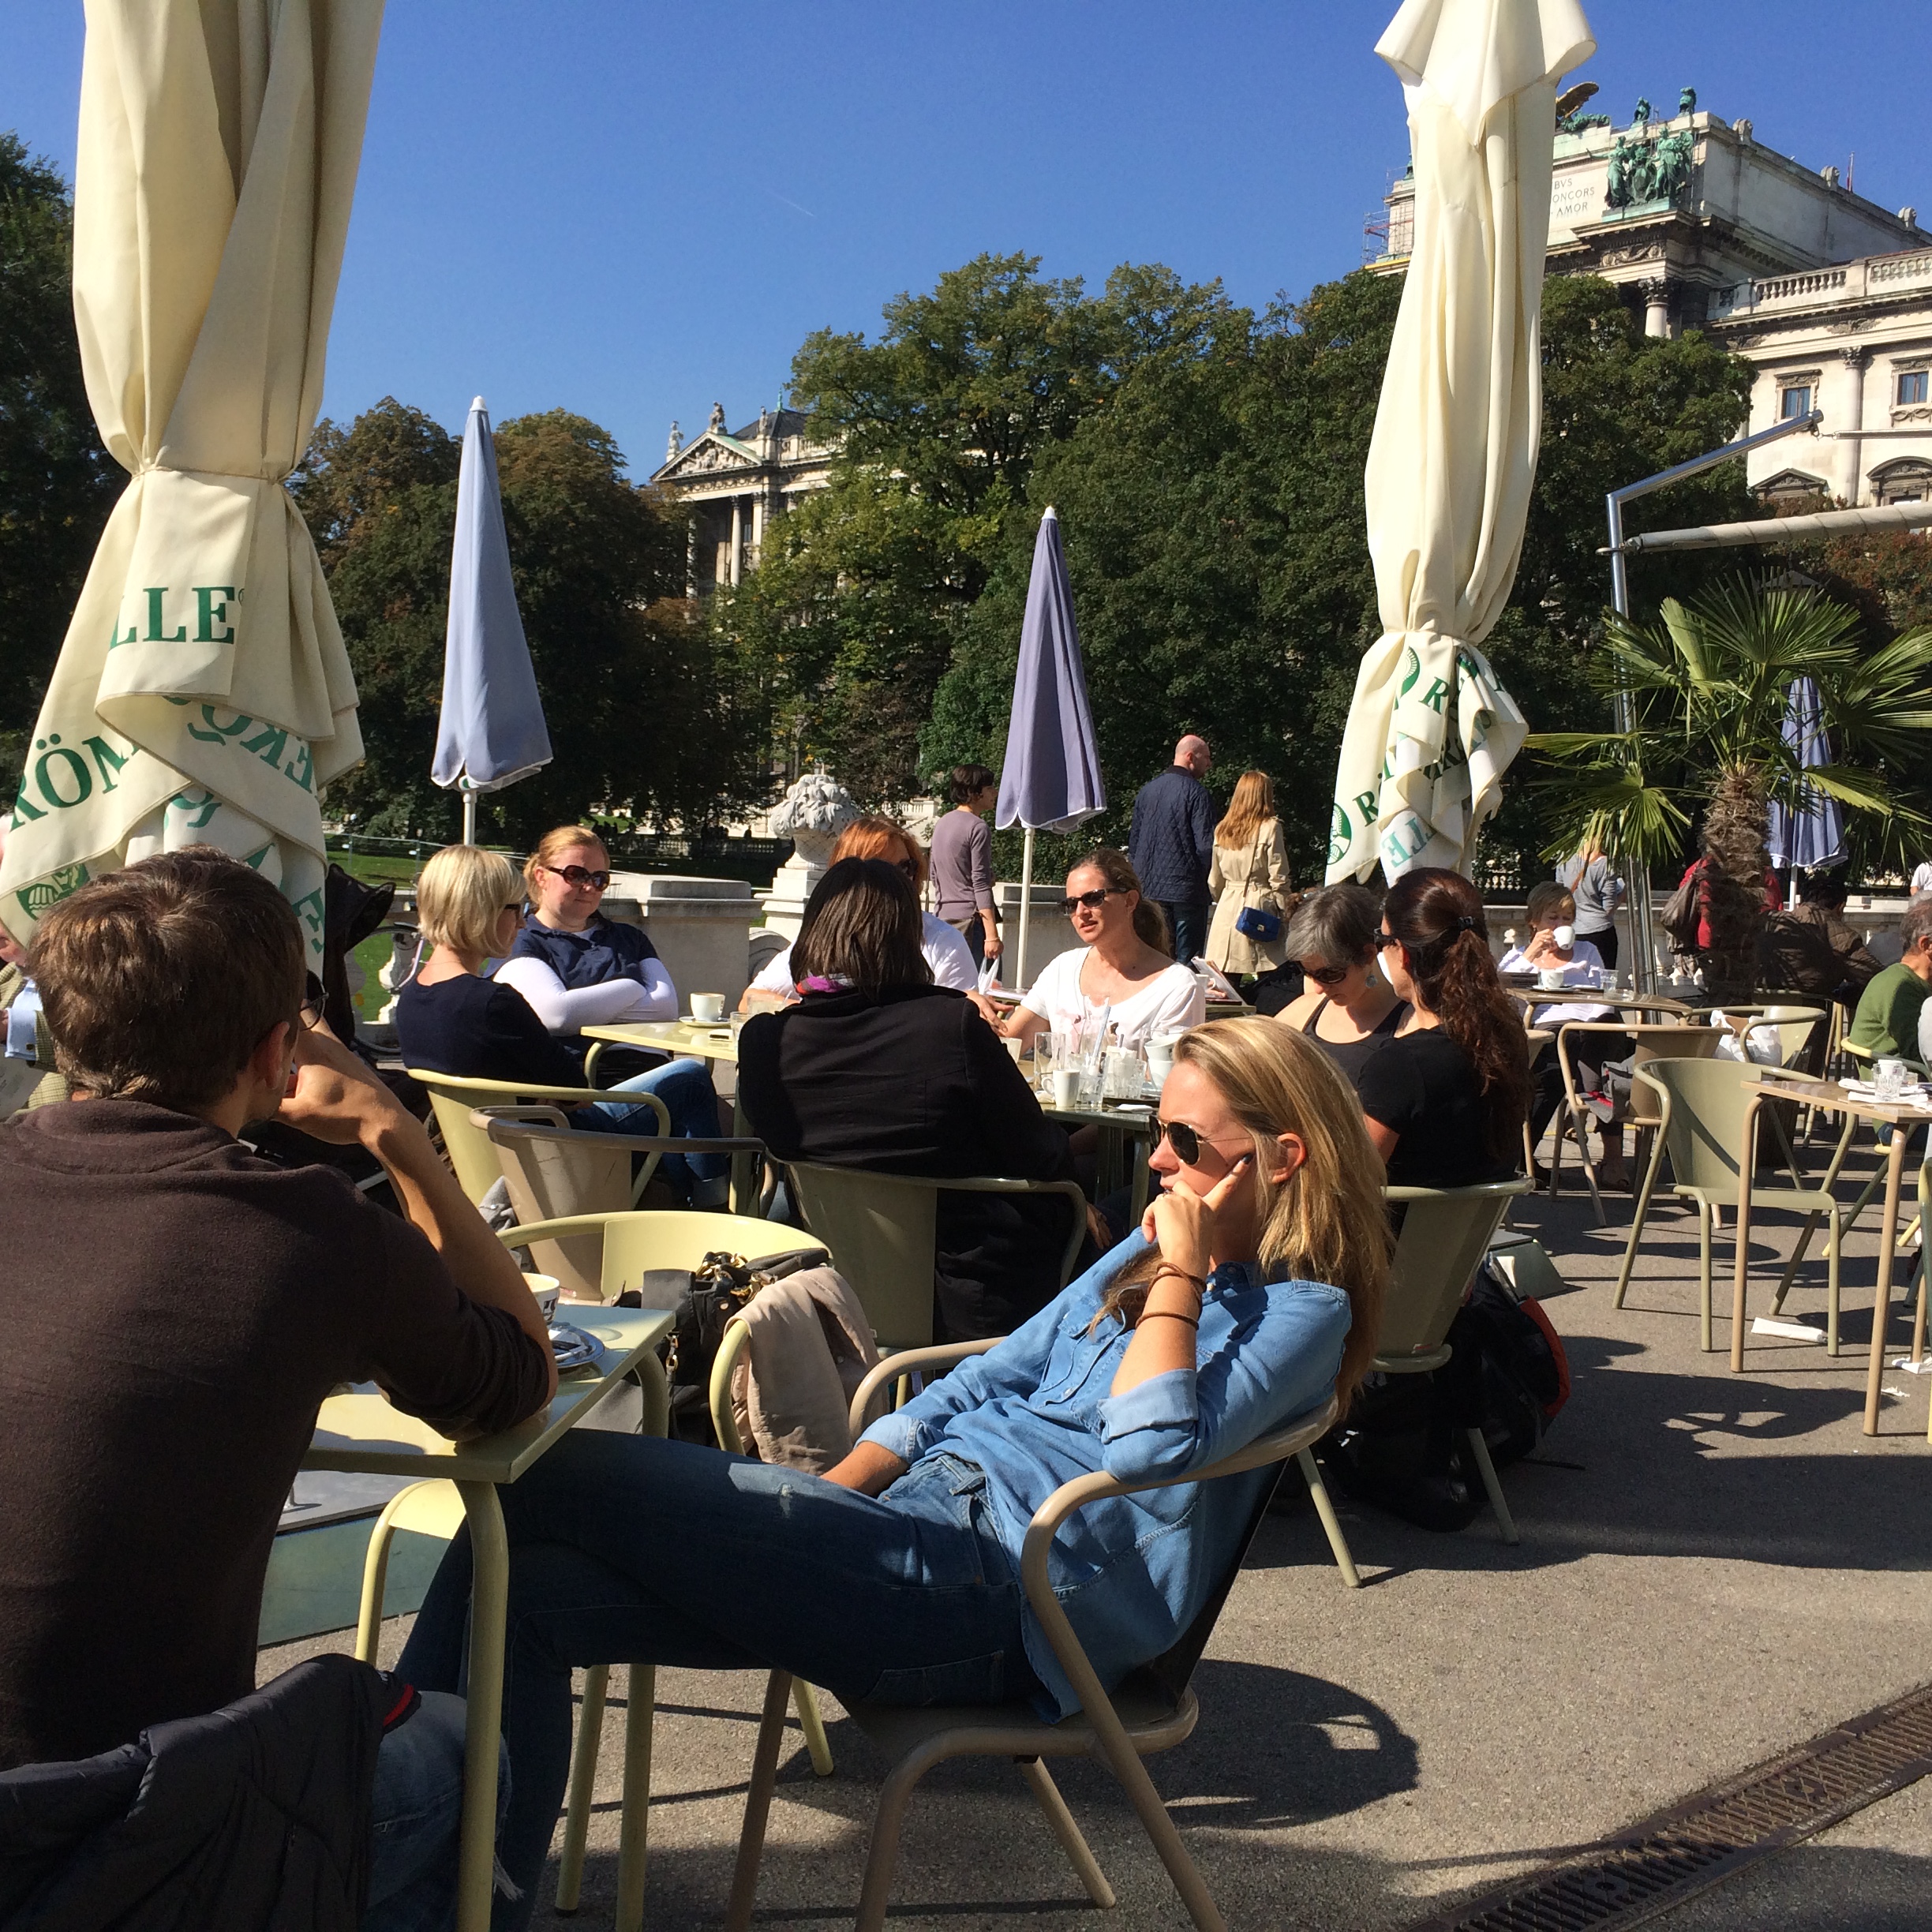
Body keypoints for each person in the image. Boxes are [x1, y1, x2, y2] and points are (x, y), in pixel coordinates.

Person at [397, 1017, 1391, 1926]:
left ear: (1282, 1158)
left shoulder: (1304, 1315)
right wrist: (818, 1507)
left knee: (543, 1479)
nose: (1160, 1162)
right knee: (514, 1587)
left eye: (1187, 1144)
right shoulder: (1140, 1245)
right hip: (902, 1537)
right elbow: (985, 1379)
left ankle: (371, 1817)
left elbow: (1144, 1451)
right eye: (1157, 1133)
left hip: (1004, 1591)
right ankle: (451, 1903)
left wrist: (1185, 1271)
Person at [0, 850, 553, 1927]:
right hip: (107, 1823)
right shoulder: (306, 1231)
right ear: (272, 1051)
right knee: (459, 1756)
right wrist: (397, 1134)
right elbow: (516, 1379)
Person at [738, 857, 1084, 1341]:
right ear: (906, 935)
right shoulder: (951, 1027)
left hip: (825, 1285)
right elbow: (1040, 1153)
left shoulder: (763, 1043)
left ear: (813, 930)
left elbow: (777, 1142)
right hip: (973, 1295)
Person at [395, 845, 727, 1198]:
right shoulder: (495, 1003)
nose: (523, 922)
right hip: (553, 1147)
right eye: (516, 909)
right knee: (688, 1078)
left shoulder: (413, 998)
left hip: (478, 1155)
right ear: (480, 912)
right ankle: (714, 1207)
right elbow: (577, 1094)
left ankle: (685, 1199)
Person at [487, 827, 729, 1196]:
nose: (590, 888)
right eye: (577, 875)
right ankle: (713, 1208)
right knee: (692, 1079)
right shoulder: (524, 938)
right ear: (541, 875)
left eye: (600, 879)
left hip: (645, 1081)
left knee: (692, 1101)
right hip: (588, 1091)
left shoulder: (627, 937)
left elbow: (664, 1006)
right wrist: (632, 987)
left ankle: (699, 1205)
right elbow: (558, 1014)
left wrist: (589, 1004)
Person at [1361, 868, 1531, 1187]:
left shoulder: (1401, 1064)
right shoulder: (1506, 1039)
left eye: (1382, 940)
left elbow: (1352, 1181)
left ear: (1404, 953)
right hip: (1471, 1235)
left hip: (1400, 1235)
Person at [742, 815, 976, 1009]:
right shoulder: (823, 940)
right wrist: (813, 1016)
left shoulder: (941, 941)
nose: (898, 880)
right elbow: (752, 998)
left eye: (906, 867)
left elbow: (955, 1023)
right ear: (846, 876)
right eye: (879, 868)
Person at [999, 848, 1206, 1054]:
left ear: (1130, 901)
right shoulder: (1062, 969)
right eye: (1071, 904)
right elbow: (1007, 1046)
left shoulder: (1177, 986)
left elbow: (1172, 1077)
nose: (1081, 912)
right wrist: (973, 1009)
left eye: (1093, 898)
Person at [1500, 883, 1627, 1188]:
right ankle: (1590, 1105)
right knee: (1557, 1067)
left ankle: (1610, 1156)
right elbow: (1501, 993)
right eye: (1552, 918)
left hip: (1589, 1027)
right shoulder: (1520, 956)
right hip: (1546, 1028)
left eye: (1567, 919)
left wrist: (1595, 1020)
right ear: (1534, 921)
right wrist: (1532, 954)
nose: (1560, 926)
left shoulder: (1587, 951)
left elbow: (1603, 995)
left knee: (1607, 1033)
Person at [1274, 884, 1409, 1087]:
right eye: (1308, 973)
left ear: (1369, 955)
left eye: (1330, 974)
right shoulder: (1301, 1014)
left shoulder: (1411, 1027)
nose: (1318, 988)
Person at [1129, 733, 1217, 964]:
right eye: (1206, 757)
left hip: (1148, 889)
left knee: (1153, 958)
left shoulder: (1146, 792)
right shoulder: (1197, 794)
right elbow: (1205, 846)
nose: (1209, 764)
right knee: (1188, 963)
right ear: (1190, 757)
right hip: (1187, 891)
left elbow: (1135, 843)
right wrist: (1211, 881)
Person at [1205, 769, 1293, 984]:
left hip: (1227, 905)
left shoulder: (1222, 830)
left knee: (1224, 980)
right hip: (1259, 905)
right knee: (1270, 972)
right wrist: (1284, 911)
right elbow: (1279, 877)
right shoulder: (1271, 828)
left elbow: (1215, 880)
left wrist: (1226, 897)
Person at [1758, 871, 1882, 1006]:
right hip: (1808, 1017)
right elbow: (1875, 976)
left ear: (1801, 902)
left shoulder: (1771, 922)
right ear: (1840, 907)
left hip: (1757, 1015)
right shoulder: (1833, 927)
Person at [930, 763, 1003, 972]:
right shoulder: (978, 827)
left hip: (943, 919)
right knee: (987, 991)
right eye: (990, 788)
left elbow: (935, 875)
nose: (995, 793)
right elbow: (979, 883)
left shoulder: (942, 823)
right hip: (972, 922)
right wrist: (992, 935)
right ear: (973, 793)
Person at [1848, 895, 1932, 1061]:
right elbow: (1921, 1054)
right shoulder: (1899, 986)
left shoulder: (1912, 981)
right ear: (1927, 945)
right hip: (1899, 1082)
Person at [1556, 837, 1626, 970]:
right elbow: (1609, 907)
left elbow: (1558, 892)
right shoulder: (1606, 864)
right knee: (1602, 978)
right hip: (1599, 929)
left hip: (1570, 927)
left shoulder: (1564, 857)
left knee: (1572, 974)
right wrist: (1623, 894)